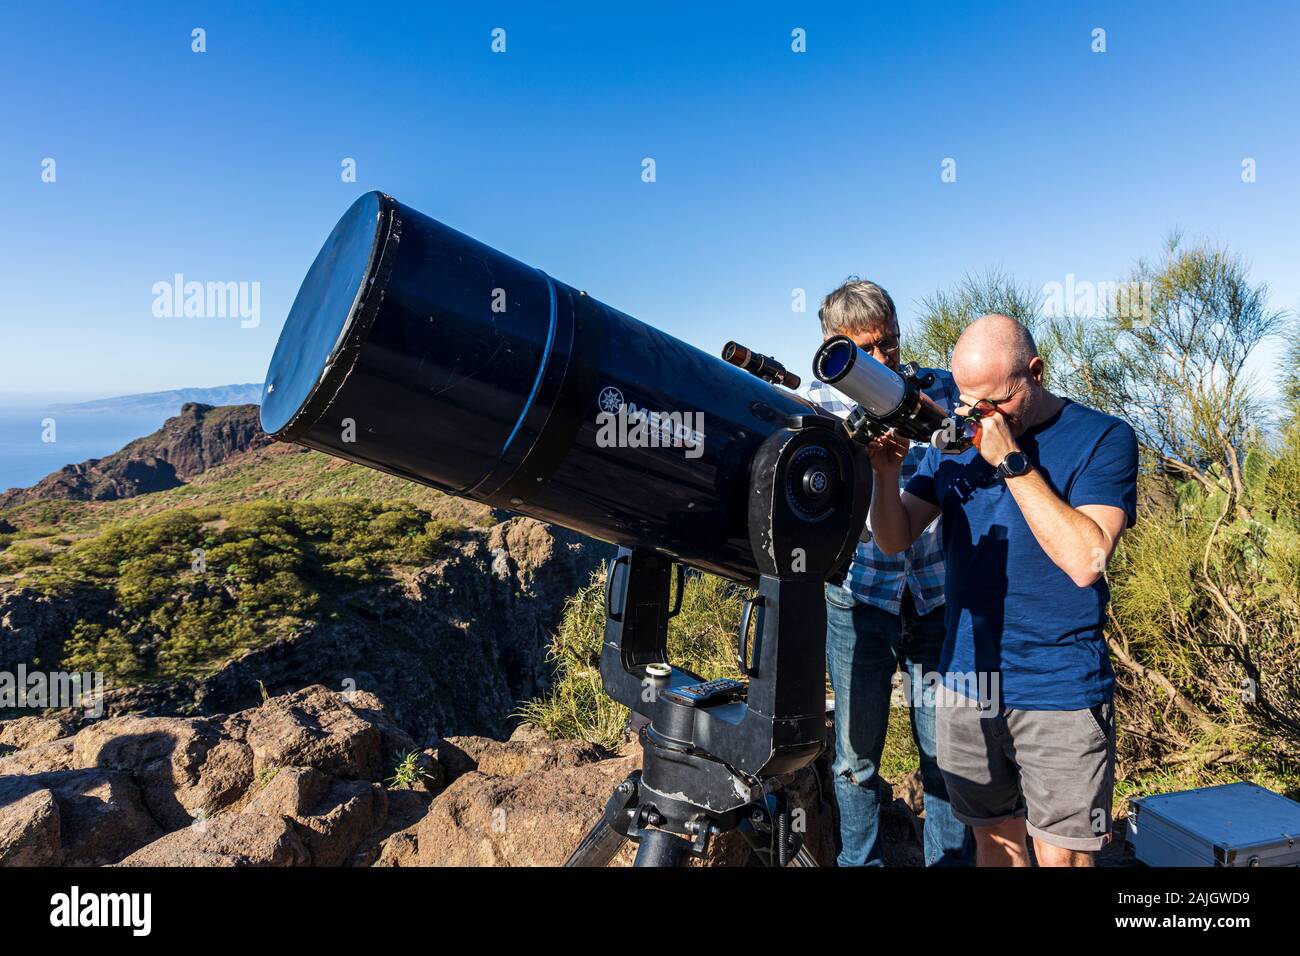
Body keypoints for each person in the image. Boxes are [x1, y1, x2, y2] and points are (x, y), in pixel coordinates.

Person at [868, 313, 1138, 866]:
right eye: (966, 399)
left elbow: (1086, 559)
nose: (974, 416)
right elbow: (894, 539)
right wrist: (883, 473)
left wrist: (1011, 460)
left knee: (1063, 856)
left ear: (1035, 373)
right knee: (995, 843)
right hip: (968, 679)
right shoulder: (957, 441)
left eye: (993, 402)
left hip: (1059, 684)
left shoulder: (1102, 438)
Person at [804, 278, 973, 867]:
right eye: (868, 348)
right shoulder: (817, 414)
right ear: (836, 349)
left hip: (933, 597)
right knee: (856, 760)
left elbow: (974, 447)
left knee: (946, 755)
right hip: (858, 601)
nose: (884, 361)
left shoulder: (937, 394)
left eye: (891, 344)